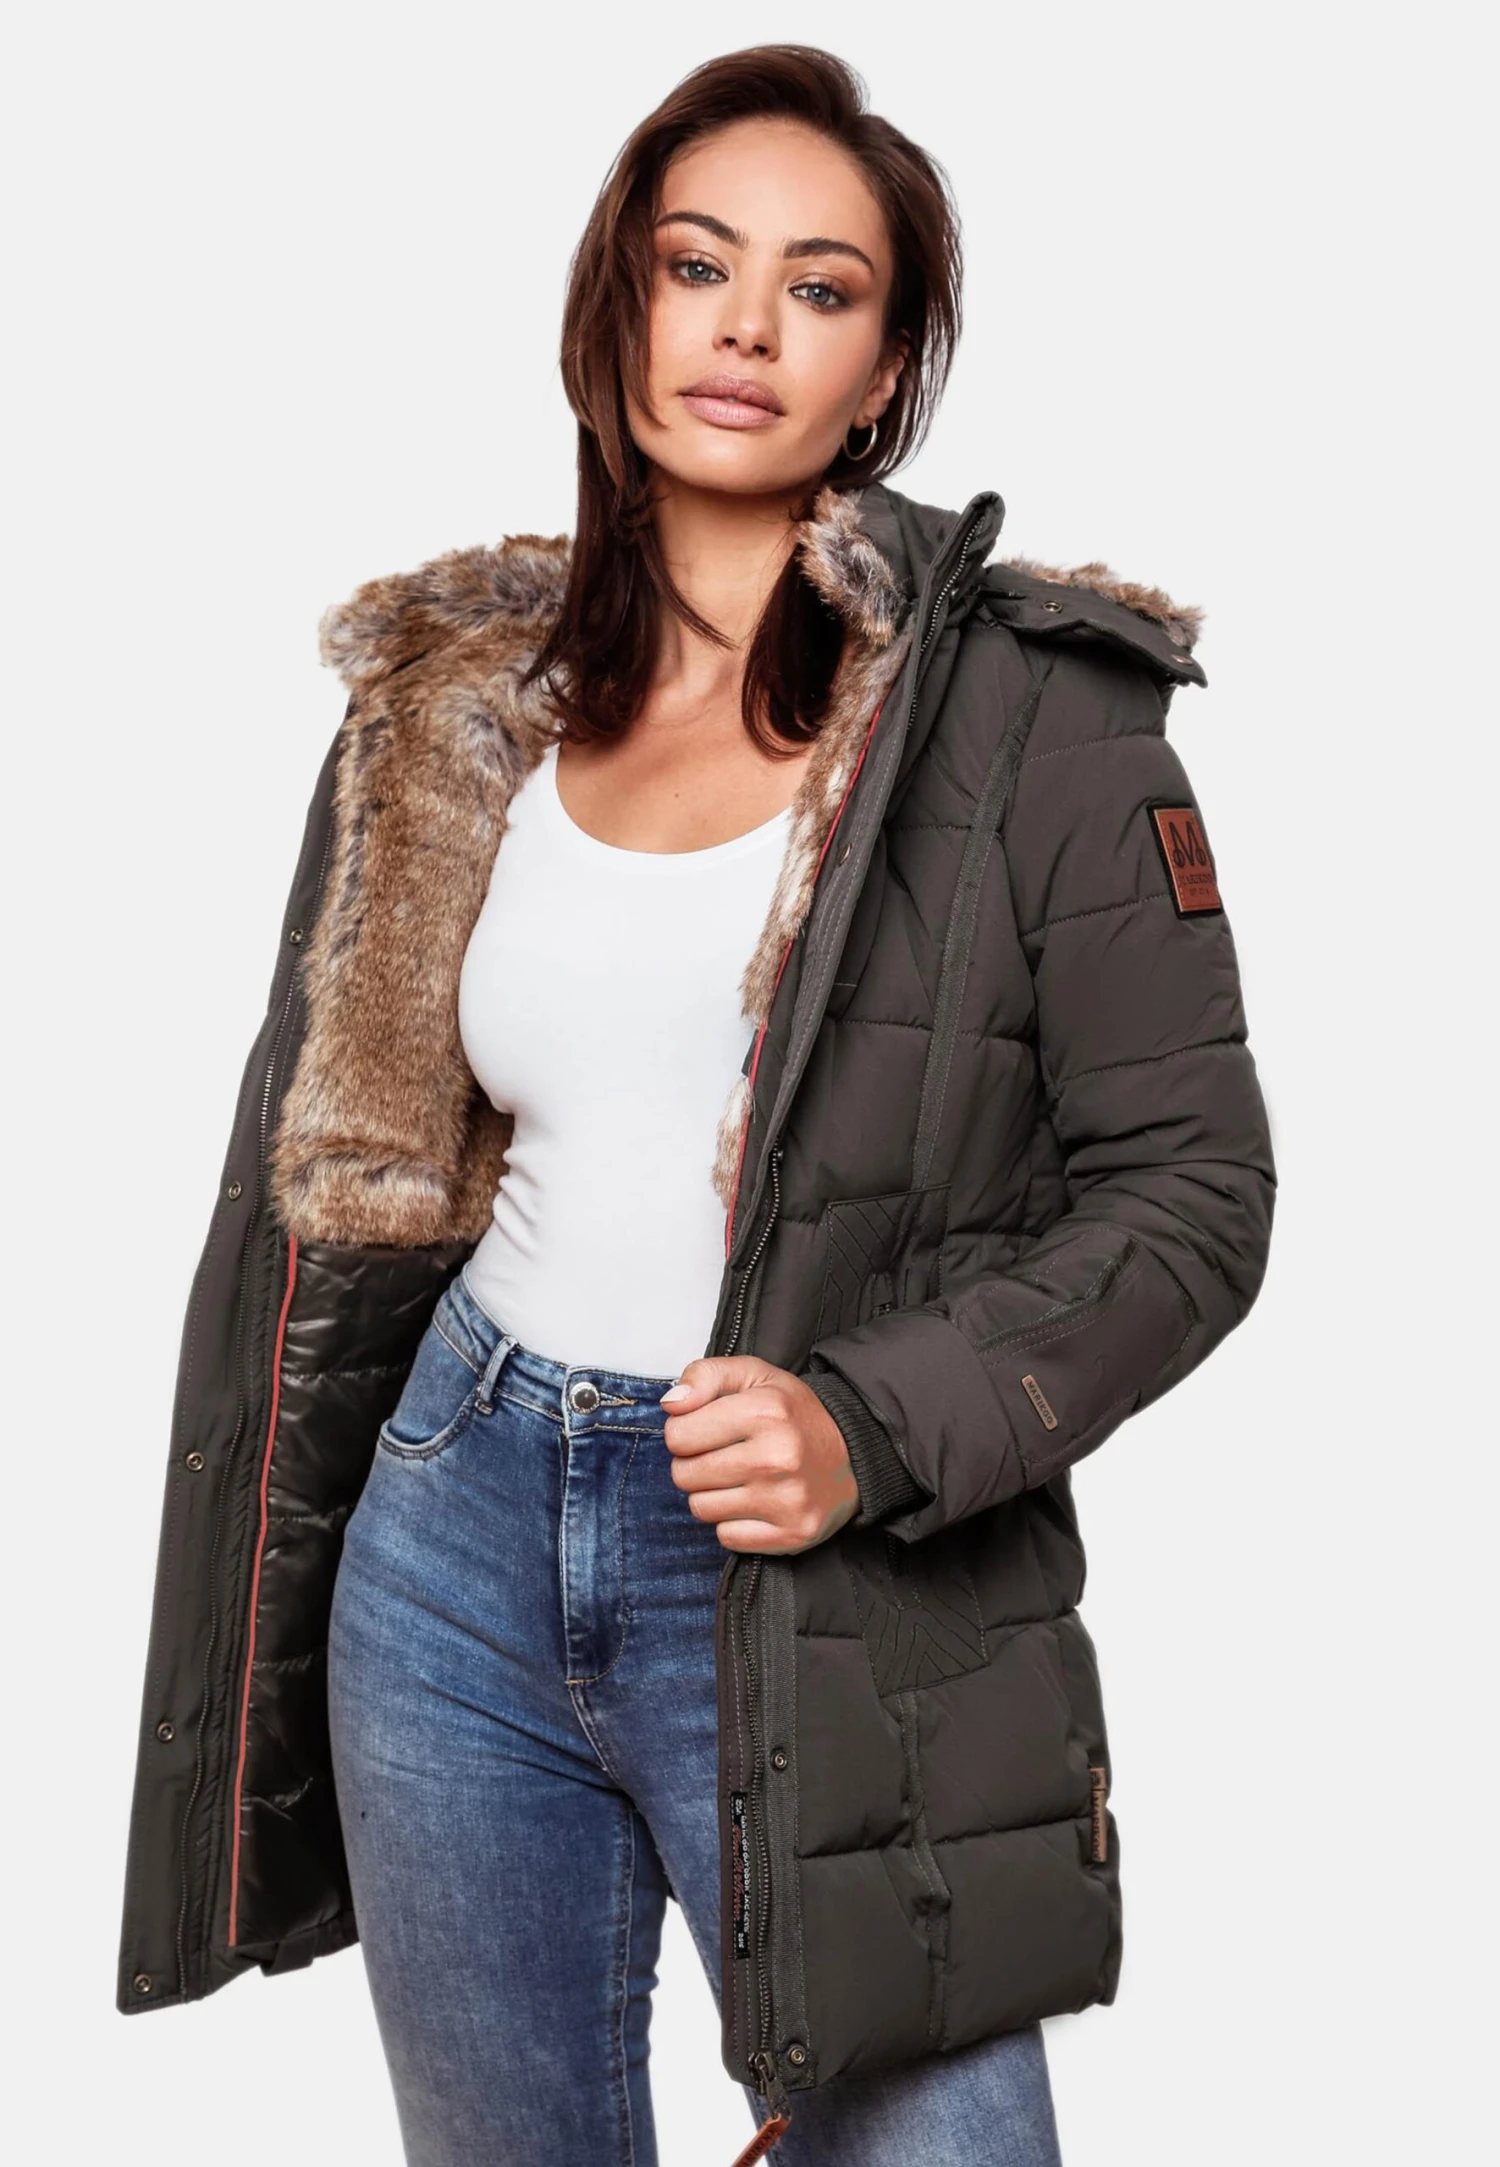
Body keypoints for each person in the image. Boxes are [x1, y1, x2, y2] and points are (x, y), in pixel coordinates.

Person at [117, 42, 1276, 2167]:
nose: (746, 328)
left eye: (820, 290)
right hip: (453, 1544)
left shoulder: (1038, 718)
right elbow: (341, 1195)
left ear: (885, 372)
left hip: (835, 1572)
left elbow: (1195, 1193)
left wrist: (869, 1423)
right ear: (616, 306)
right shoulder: (459, 709)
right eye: (696, 265)